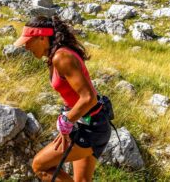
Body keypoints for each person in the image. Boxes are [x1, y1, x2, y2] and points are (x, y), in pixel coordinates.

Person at [14, 16, 111, 182]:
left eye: (28, 41)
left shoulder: (62, 57)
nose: (26, 46)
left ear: (42, 37)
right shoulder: (56, 55)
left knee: (40, 166)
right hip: (92, 123)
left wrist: (66, 122)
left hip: (90, 128)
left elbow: (89, 98)